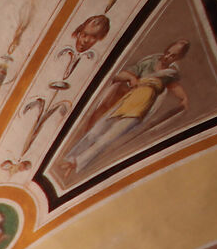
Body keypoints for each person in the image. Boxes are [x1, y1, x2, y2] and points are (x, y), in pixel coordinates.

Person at [60, 39, 190, 179]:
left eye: (173, 56)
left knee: (107, 138)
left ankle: (76, 164)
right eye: (168, 52)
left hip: (140, 108)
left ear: (179, 58)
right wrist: (132, 77)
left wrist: (184, 99)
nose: (168, 57)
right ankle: (70, 158)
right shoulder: (148, 62)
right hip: (126, 102)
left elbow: (175, 88)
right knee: (96, 131)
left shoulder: (170, 74)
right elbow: (120, 75)